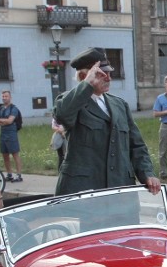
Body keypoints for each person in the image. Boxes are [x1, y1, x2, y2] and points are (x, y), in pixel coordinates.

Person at [53, 47, 160, 196]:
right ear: (85, 76)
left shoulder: (119, 105)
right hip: (86, 190)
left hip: (120, 188)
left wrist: (147, 174)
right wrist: (87, 85)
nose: (109, 78)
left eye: (110, 73)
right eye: (102, 75)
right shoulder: (70, 101)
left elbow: (136, 145)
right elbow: (63, 115)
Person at [0, 90, 22, 182]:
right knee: (5, 155)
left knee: (15, 154)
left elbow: (10, 121)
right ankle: (9, 174)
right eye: (3, 96)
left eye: (6, 96)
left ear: (10, 97)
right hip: (3, 133)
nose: (4, 98)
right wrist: (4, 121)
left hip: (11, 134)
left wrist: (1, 121)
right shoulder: (0, 108)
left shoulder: (13, 108)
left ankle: (19, 175)